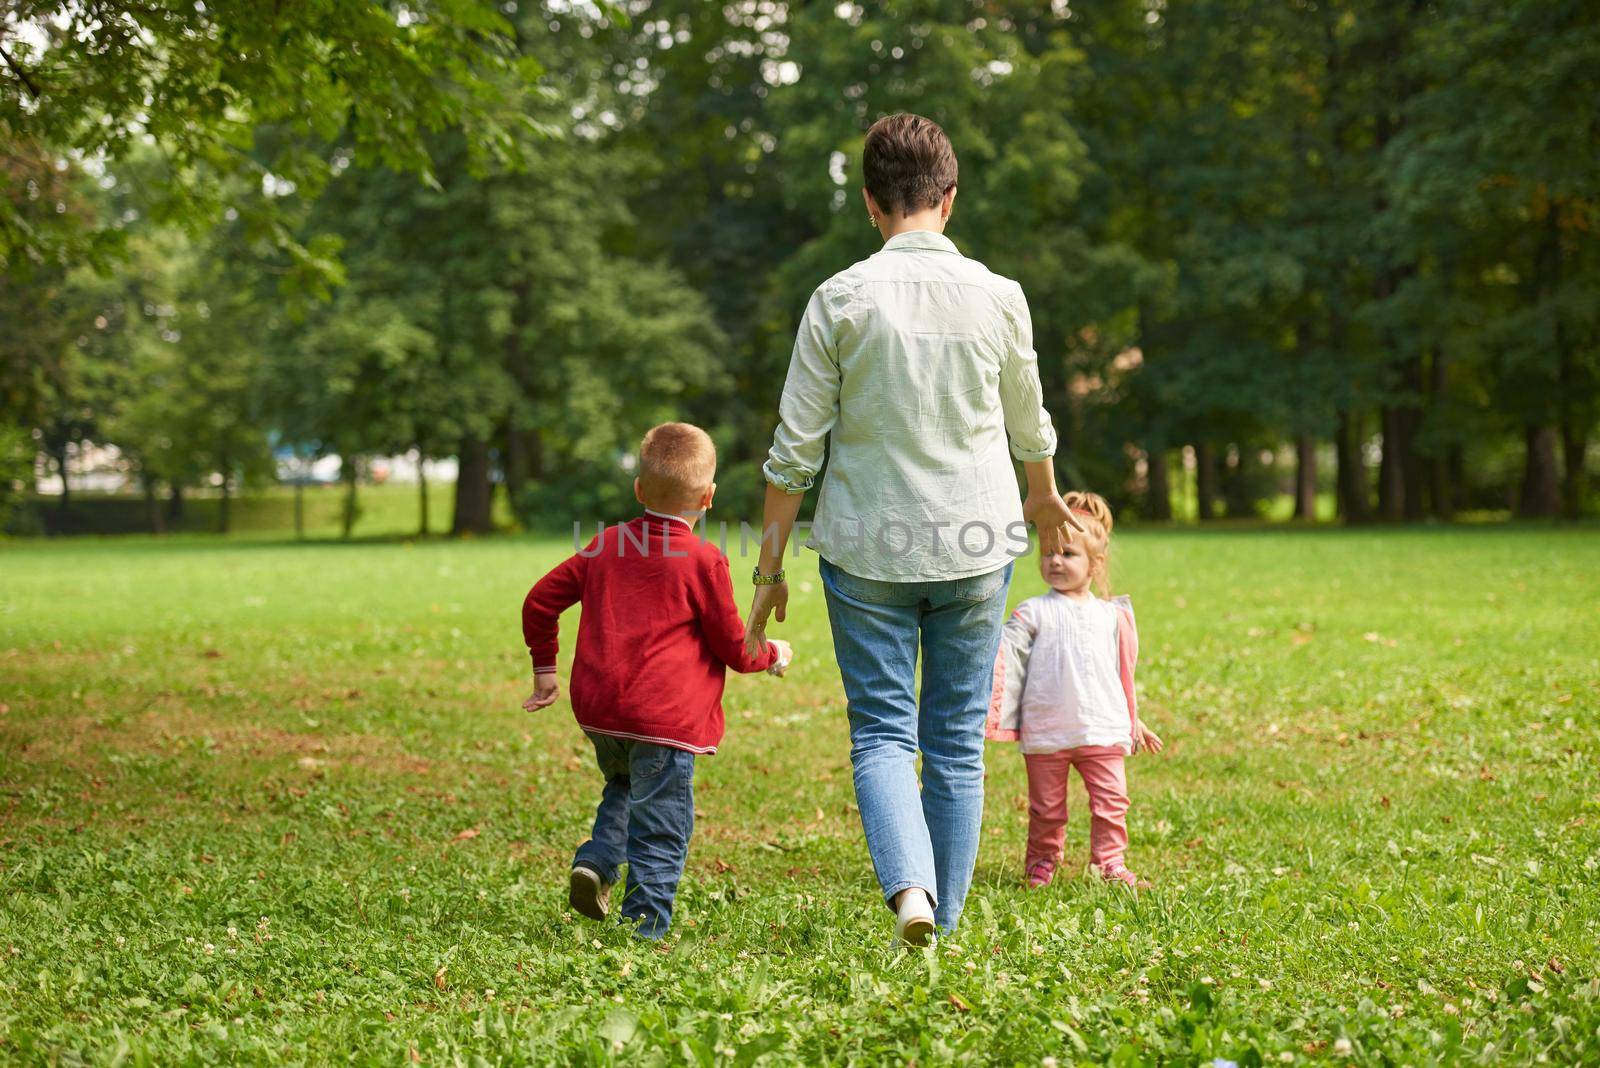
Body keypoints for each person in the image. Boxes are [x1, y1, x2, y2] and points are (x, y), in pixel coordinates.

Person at [744, 113, 1078, 944]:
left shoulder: (839, 299)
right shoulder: (1000, 297)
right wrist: (1043, 500)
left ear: (870, 204)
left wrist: (769, 569)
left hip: (867, 549)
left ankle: (910, 897)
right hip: (976, 542)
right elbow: (1029, 424)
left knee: (884, 736)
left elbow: (792, 457)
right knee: (957, 745)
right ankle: (946, 925)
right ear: (950, 199)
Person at [522, 422, 793, 938]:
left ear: (639, 490)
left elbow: (539, 602)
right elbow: (735, 648)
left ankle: (597, 860)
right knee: (663, 825)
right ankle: (644, 931)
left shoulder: (605, 544)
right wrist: (773, 653)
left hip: (602, 714)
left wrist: (544, 672)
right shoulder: (703, 559)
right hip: (663, 721)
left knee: (625, 784)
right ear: (709, 497)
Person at [986, 492, 1164, 889]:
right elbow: (1001, 653)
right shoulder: (1032, 612)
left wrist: (1134, 720)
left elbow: (1118, 676)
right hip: (1047, 731)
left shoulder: (1111, 616)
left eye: (1068, 553)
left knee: (1112, 803)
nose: (1055, 561)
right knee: (1046, 808)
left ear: (1094, 564)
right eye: (1048, 552)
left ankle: (1109, 863)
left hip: (1102, 729)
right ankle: (1042, 862)